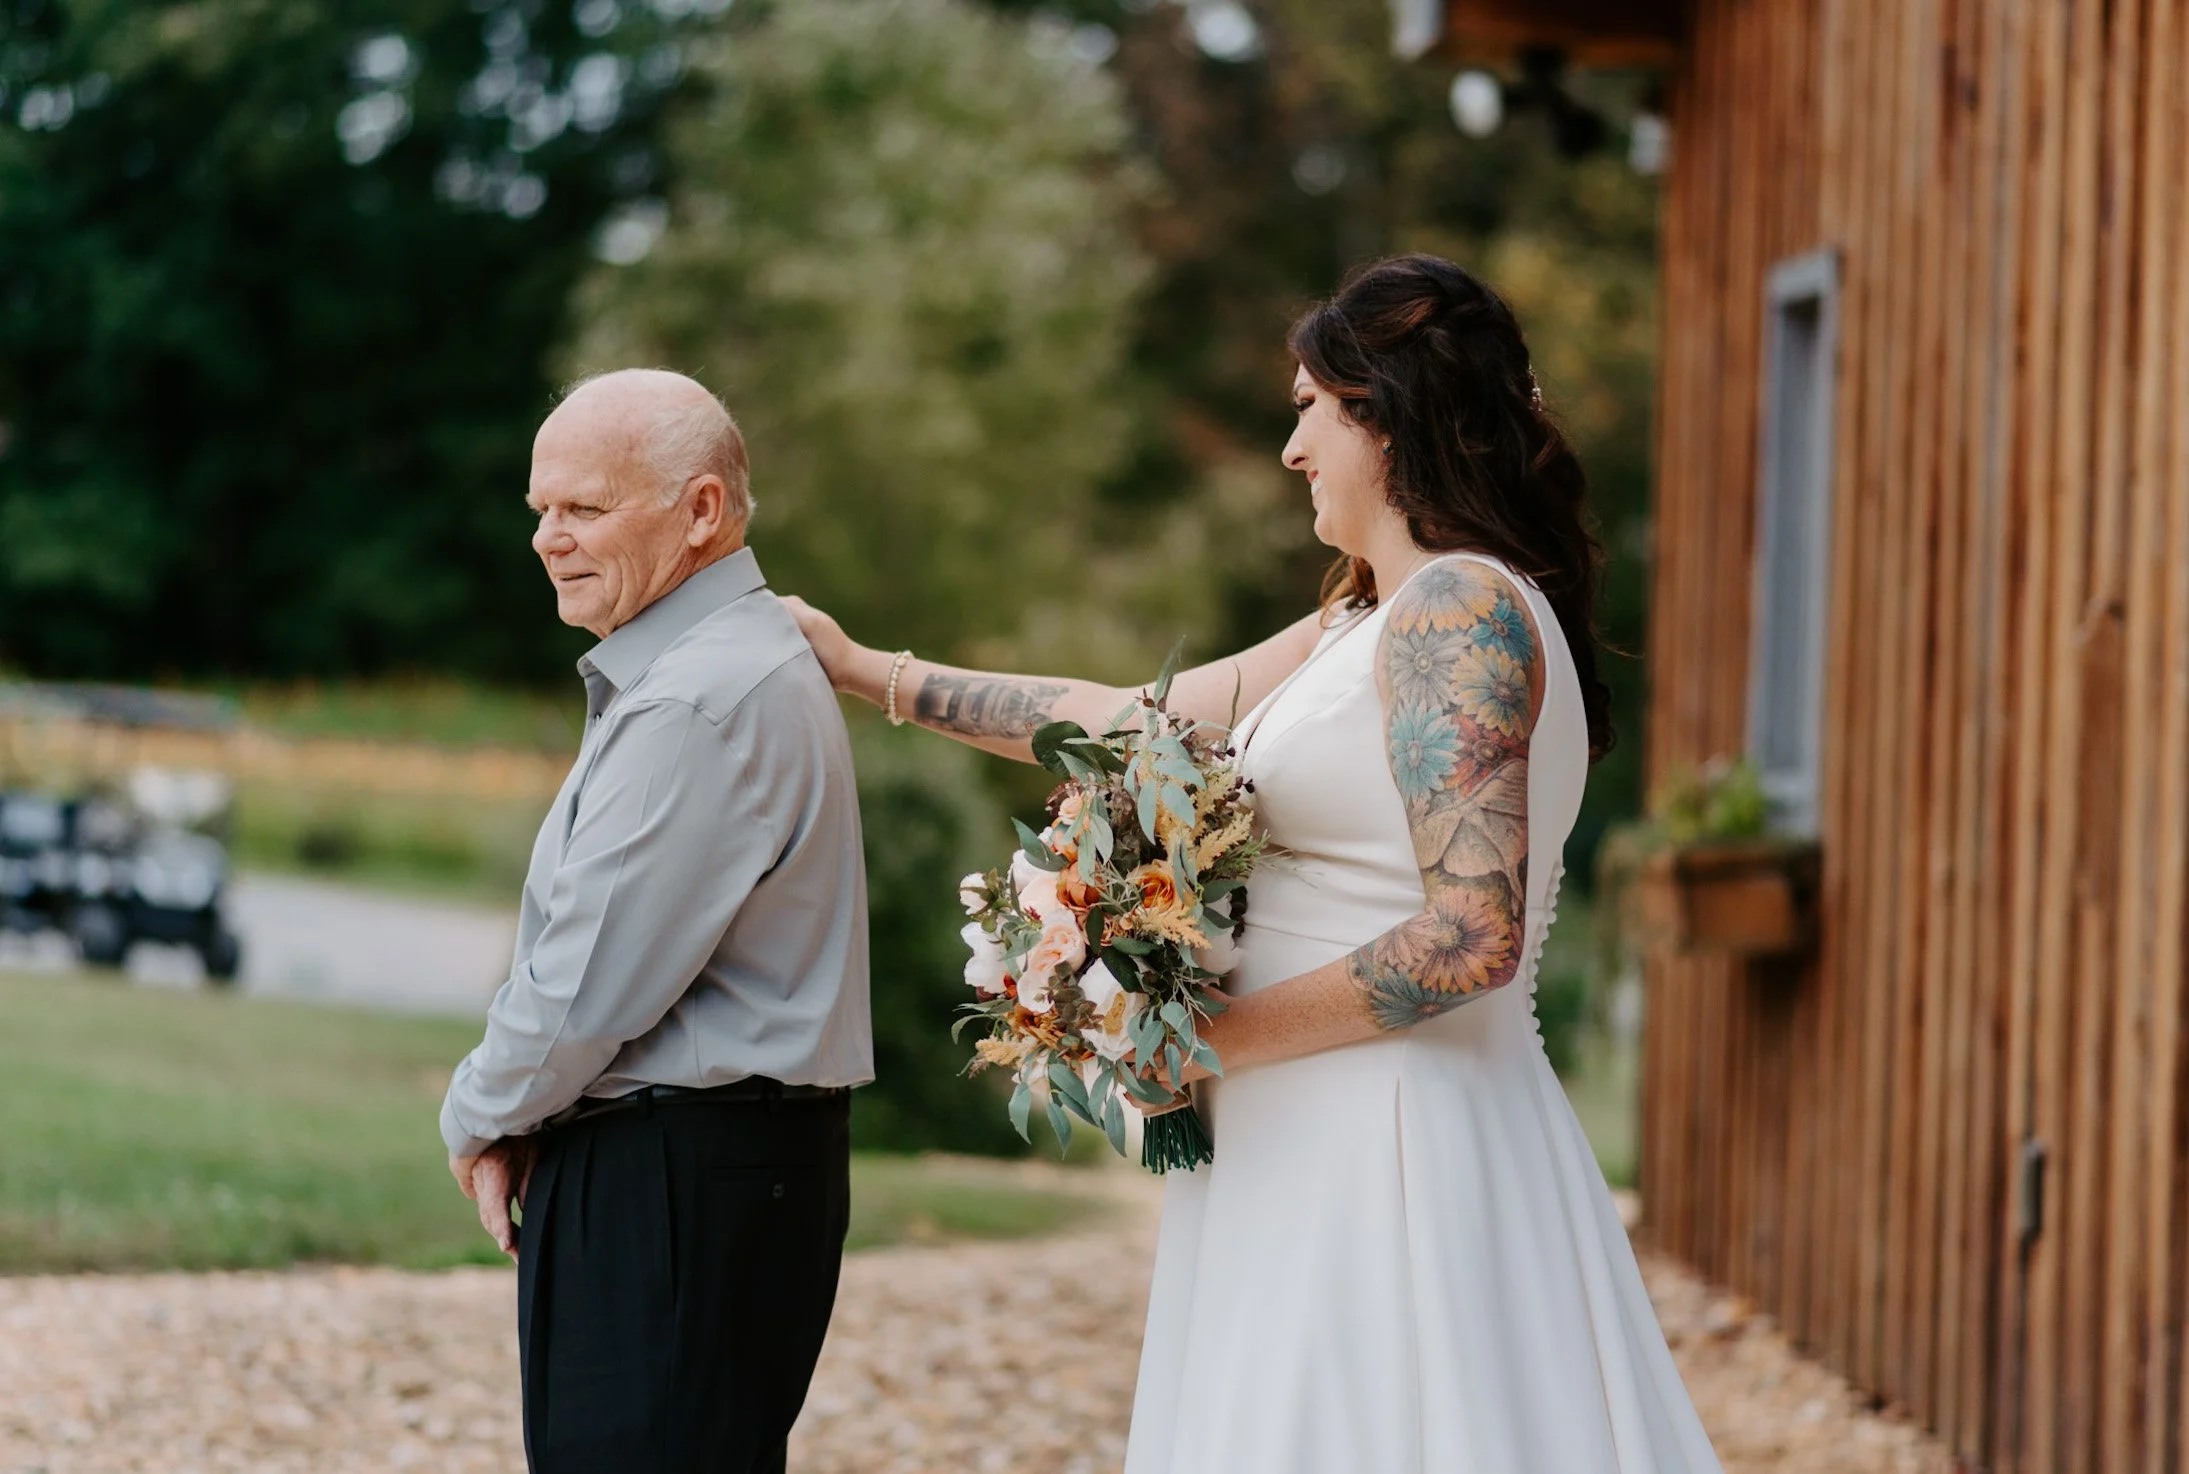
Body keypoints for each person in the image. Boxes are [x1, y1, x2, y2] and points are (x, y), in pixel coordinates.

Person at [784, 255, 1722, 1471]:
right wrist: (872, 672)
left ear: (1379, 417)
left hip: (1394, 1147)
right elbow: (1129, 720)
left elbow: (1469, 935)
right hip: (1303, 1141)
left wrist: (1203, 1040)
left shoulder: (1457, 615)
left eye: (1306, 411)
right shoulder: (1360, 619)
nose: (1292, 452)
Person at [440, 369, 871, 1474]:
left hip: (671, 1181)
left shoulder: (696, 696)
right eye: (540, 509)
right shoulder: (724, 667)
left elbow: (583, 983)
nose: (547, 537)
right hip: (720, 1168)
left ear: (700, 512)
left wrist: (477, 1112)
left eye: (582, 508)